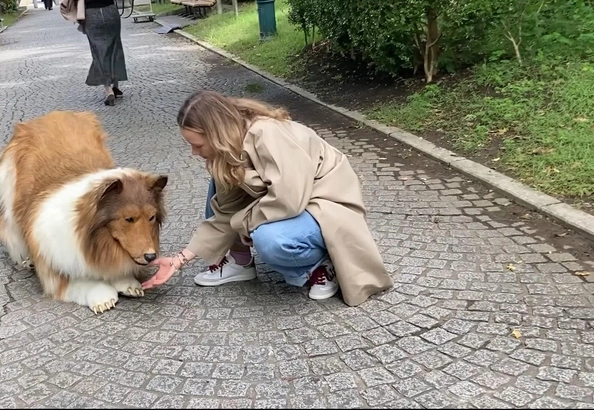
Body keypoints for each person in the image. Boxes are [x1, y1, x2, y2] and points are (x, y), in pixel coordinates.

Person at [141, 90, 394, 305]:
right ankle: (239, 261)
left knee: (271, 240)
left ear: (216, 134)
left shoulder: (266, 134)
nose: (194, 153)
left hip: (326, 202)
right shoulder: (225, 154)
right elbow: (224, 215)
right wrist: (179, 260)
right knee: (219, 190)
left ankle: (321, 264)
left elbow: (289, 200)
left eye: (197, 145)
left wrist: (245, 223)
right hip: (293, 203)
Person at [82, 0, 127, 106]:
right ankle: (116, 87)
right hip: (110, 11)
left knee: (98, 52)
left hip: (91, 14)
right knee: (115, 48)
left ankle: (109, 91)